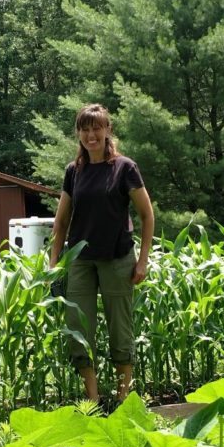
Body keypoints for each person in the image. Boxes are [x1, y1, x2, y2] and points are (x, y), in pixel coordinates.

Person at [49, 103, 155, 406]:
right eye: (84, 128)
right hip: (81, 260)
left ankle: (123, 399)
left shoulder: (124, 168)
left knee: (120, 329)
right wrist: (54, 263)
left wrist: (142, 260)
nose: (90, 134)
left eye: (96, 128)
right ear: (79, 133)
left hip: (117, 258)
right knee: (78, 329)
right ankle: (93, 401)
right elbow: (61, 220)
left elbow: (147, 215)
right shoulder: (74, 171)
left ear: (107, 130)